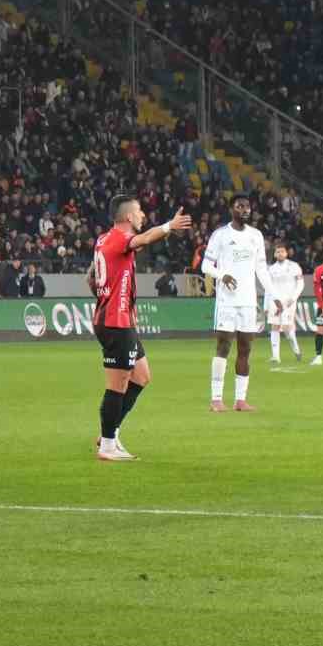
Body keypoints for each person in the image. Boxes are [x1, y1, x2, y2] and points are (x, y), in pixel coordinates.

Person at [91, 196, 192, 461]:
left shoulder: (102, 239)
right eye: (139, 211)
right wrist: (169, 226)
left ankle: (109, 432)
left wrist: (106, 294)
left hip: (121, 320)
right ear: (127, 217)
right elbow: (144, 239)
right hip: (114, 323)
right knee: (118, 384)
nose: (142, 215)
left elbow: (91, 277)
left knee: (142, 376)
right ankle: (108, 445)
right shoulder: (117, 239)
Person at [202, 195, 272, 412]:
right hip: (227, 301)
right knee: (223, 346)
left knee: (246, 349)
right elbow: (206, 266)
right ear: (231, 209)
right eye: (240, 206)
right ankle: (216, 398)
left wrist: (274, 295)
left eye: (247, 206)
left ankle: (240, 400)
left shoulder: (256, 236)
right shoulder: (220, 235)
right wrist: (222, 275)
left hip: (248, 301)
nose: (245, 209)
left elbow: (261, 269)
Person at [266, 242, 304, 363]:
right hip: (275, 302)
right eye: (278, 252)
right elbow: (268, 288)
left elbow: (300, 284)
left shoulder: (294, 266)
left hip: (288, 301)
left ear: (286, 253)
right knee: (275, 326)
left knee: (287, 328)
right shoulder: (271, 269)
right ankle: (276, 356)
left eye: (282, 251)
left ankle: (296, 349)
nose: (280, 254)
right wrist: (266, 304)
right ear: (275, 254)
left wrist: (293, 298)